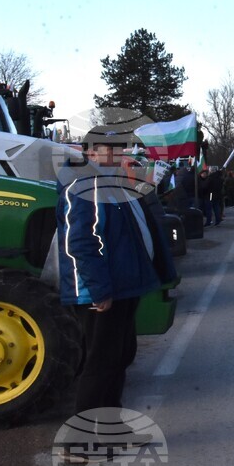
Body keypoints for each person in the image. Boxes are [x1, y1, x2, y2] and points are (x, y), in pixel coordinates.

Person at [56, 134, 176, 443]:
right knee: (99, 364)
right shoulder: (83, 184)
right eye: (108, 148)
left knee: (119, 358)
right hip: (102, 292)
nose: (116, 153)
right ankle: (79, 442)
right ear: (91, 151)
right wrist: (99, 290)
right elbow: (81, 241)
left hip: (124, 287)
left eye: (118, 148)